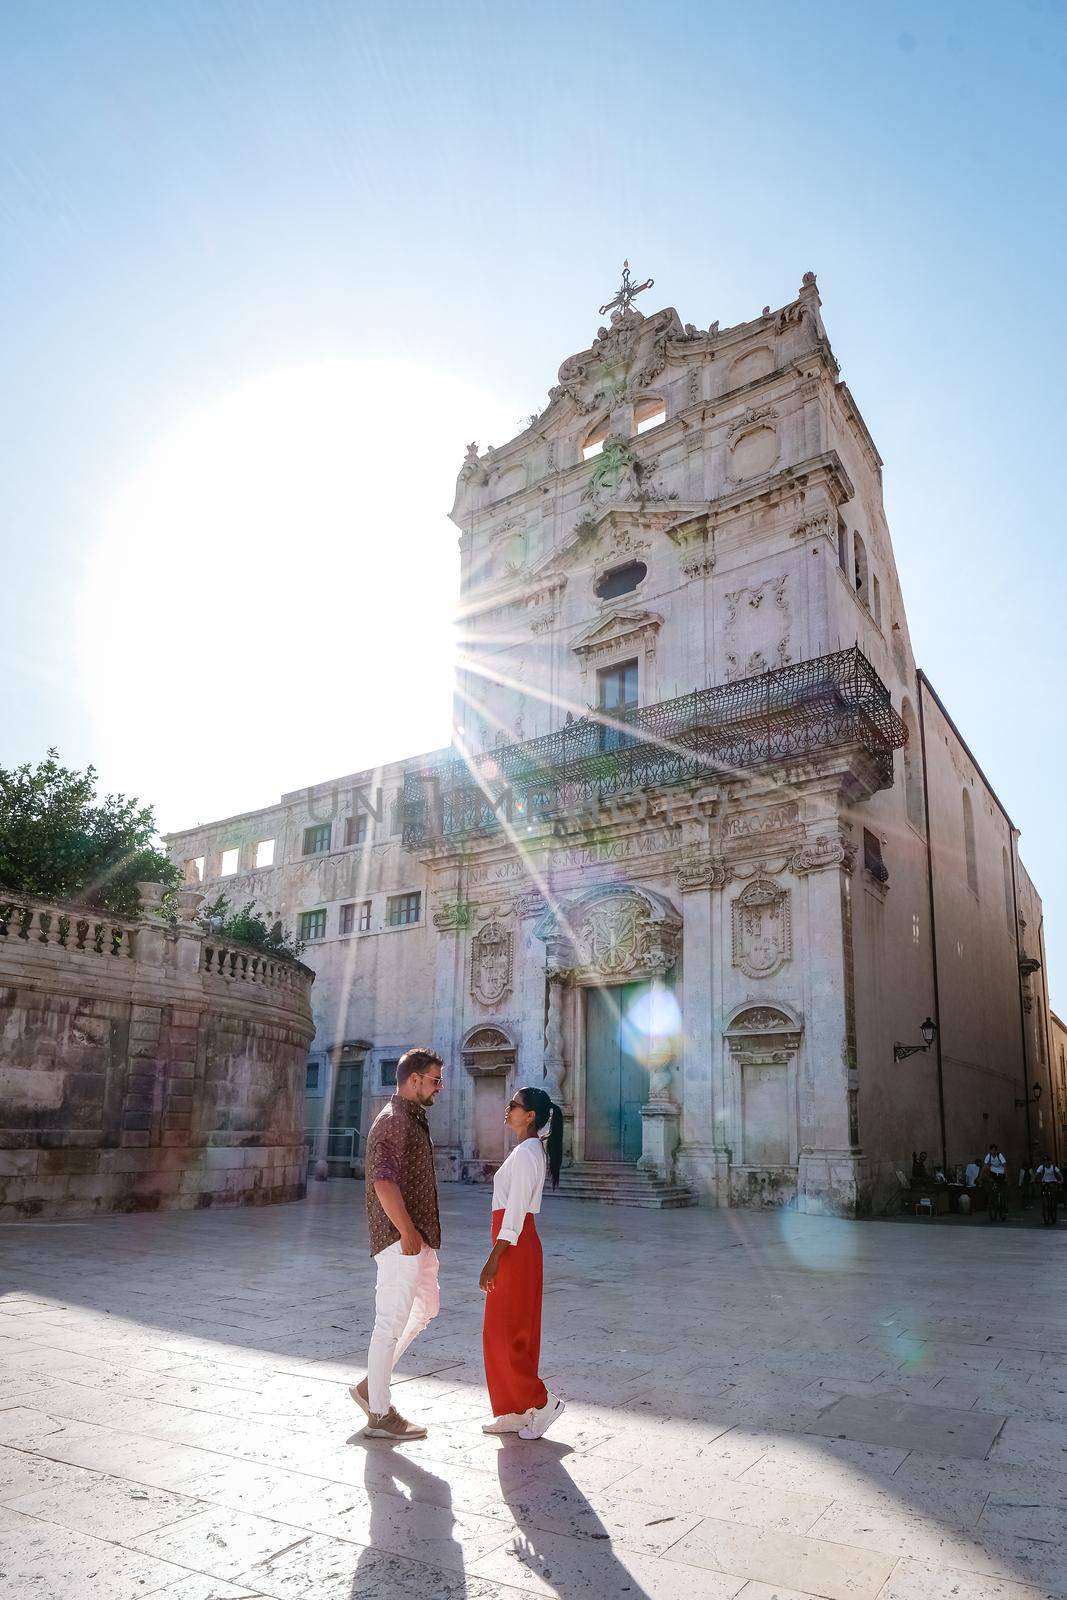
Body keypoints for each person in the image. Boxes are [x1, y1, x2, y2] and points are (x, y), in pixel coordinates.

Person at [350, 1047, 444, 1440]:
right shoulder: (392, 1121)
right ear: (414, 1079)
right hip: (399, 1239)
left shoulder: (413, 1119)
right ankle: (379, 1413)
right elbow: (383, 1181)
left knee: (425, 1310)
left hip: (418, 1239)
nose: (439, 1087)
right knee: (389, 1322)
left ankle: (372, 1384)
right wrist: (406, 1230)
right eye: (435, 1080)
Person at [479, 1086, 566, 1441]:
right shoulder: (524, 1151)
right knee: (501, 1332)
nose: (507, 1108)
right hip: (512, 1242)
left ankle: (542, 1402)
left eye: (513, 1105)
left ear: (530, 1115)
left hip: (515, 1245)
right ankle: (514, 1410)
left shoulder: (530, 1153)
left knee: (507, 1333)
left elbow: (514, 1213)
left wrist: (493, 1260)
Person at [1035, 1155, 1063, 1225]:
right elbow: (1037, 1174)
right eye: (1044, 1161)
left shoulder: (1053, 1167)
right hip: (1045, 1182)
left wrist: (1061, 1180)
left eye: (1047, 1161)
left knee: (1053, 1192)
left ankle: (1053, 1203)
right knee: (1043, 1191)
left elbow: (1059, 1174)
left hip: (1052, 1182)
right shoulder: (1041, 1167)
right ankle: (1045, 1204)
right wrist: (1034, 1179)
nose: (1046, 1162)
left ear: (1050, 1162)